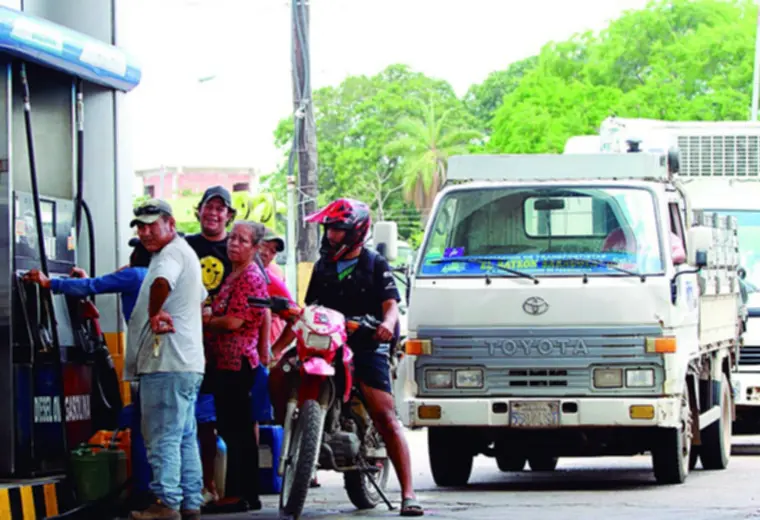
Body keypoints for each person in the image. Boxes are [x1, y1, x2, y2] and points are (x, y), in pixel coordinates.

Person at [270, 198, 424, 517]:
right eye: (329, 230)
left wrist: (386, 326)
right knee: (283, 372)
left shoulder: (374, 263)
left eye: (338, 230)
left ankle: (408, 494)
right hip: (327, 342)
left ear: (356, 231)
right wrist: (276, 346)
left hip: (366, 344)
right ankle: (306, 446)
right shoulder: (322, 266)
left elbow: (391, 305)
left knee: (385, 415)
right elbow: (309, 308)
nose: (330, 236)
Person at [125, 199, 206, 520]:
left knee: (162, 437)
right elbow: (201, 299)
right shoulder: (185, 252)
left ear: (170, 224)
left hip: (166, 362)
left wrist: (156, 313)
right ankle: (189, 501)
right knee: (185, 436)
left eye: (152, 225)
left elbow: (162, 282)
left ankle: (167, 504)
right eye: (140, 227)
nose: (145, 232)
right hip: (186, 363)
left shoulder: (170, 255)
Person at [203, 220, 271, 512]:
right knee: (232, 429)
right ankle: (241, 493)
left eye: (243, 240)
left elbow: (234, 321)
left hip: (237, 362)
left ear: (255, 248)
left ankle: (241, 494)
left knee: (238, 431)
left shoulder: (251, 277)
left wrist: (205, 320)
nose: (234, 243)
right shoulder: (234, 274)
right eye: (232, 237)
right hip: (223, 362)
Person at [184, 185, 236, 506]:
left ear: (228, 216)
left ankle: (230, 488)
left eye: (221, 209)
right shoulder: (185, 246)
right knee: (197, 421)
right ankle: (201, 487)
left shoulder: (236, 250)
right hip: (190, 347)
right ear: (199, 211)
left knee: (231, 420)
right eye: (209, 207)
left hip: (228, 350)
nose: (214, 214)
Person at [23, 237, 151, 321]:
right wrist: (85, 281)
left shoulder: (136, 275)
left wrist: (48, 282)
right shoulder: (146, 274)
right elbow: (103, 282)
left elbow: (94, 285)